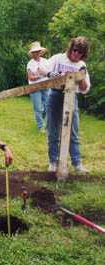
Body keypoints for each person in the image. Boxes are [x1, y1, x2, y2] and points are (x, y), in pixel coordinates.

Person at [46, 36, 90, 173]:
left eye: (81, 53)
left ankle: (77, 164)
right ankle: (53, 162)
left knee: (73, 132)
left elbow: (84, 89)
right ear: (71, 48)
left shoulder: (81, 65)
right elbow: (43, 70)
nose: (77, 54)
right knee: (53, 130)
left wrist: (81, 77)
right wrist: (55, 74)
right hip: (55, 95)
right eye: (75, 50)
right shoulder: (58, 58)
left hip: (72, 97)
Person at [27, 41, 49, 132]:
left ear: (40, 52)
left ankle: (46, 124)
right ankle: (41, 126)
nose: (36, 53)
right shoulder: (30, 63)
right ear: (32, 53)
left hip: (46, 85)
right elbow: (30, 78)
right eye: (34, 52)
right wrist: (40, 75)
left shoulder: (46, 61)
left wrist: (43, 74)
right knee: (38, 108)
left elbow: (49, 73)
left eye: (37, 51)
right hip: (34, 87)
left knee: (47, 106)